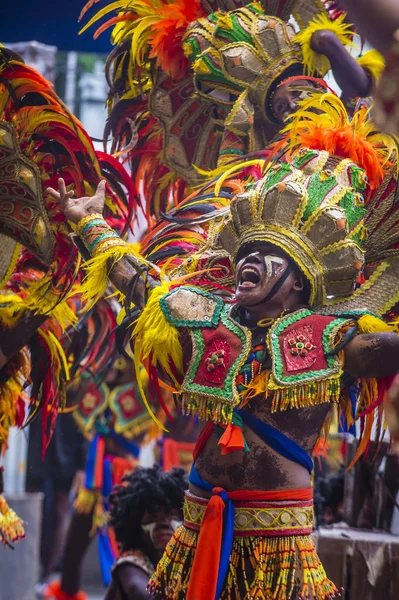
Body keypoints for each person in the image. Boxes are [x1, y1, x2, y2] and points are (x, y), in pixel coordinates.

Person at [50, 89, 399, 598]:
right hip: (194, 535)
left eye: (267, 256)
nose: (247, 262)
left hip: (278, 550)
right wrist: (88, 222)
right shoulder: (209, 327)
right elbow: (141, 283)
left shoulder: (332, 341)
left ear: (300, 283)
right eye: (246, 251)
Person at [26, 413, 88, 599]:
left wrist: (82, 466)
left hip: (68, 446)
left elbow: (87, 419)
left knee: (59, 513)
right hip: (36, 443)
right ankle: (29, 571)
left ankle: (45, 576)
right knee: (31, 509)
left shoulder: (79, 385)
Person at [104, 466, 187, 600]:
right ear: (135, 526)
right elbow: (137, 590)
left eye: (171, 515)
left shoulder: (187, 561)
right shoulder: (130, 562)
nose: (163, 523)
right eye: (152, 517)